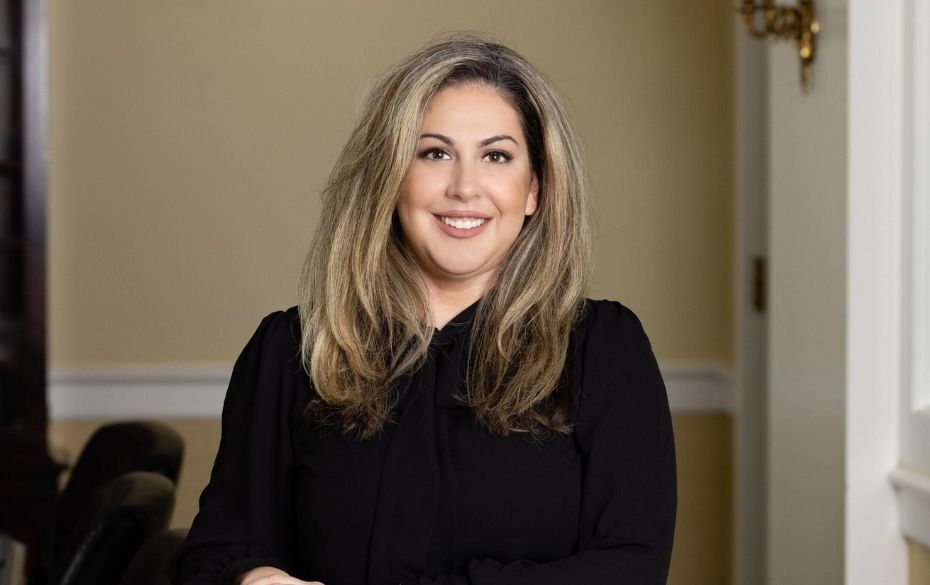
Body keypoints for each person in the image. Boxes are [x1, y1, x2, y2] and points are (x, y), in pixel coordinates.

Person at [170, 36, 676, 585]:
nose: (464, 187)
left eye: (496, 156)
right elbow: (217, 551)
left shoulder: (604, 348)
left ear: (534, 189)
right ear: (391, 178)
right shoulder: (293, 349)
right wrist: (253, 579)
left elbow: (631, 564)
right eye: (435, 153)